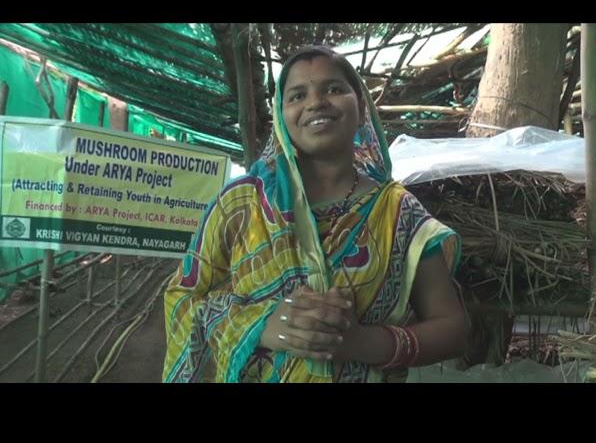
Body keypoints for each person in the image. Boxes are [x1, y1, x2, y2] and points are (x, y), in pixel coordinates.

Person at [163, 45, 467, 383]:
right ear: (281, 115)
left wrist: (363, 343)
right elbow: (184, 299)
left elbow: (453, 328)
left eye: (334, 89)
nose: (315, 102)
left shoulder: (399, 213)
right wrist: (262, 325)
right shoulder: (239, 205)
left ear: (361, 105)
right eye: (296, 96)